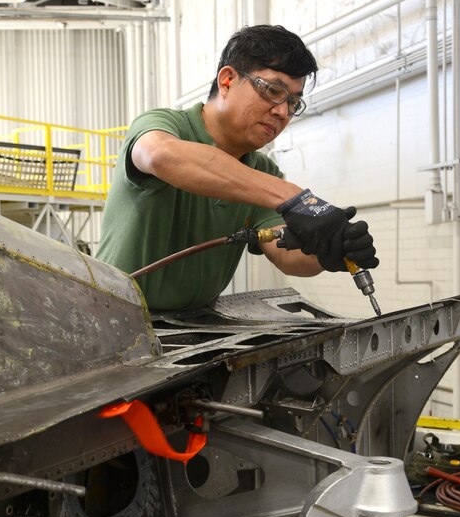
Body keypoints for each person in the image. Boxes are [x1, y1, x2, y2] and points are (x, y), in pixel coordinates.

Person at [95, 25, 378, 312]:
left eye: (293, 102)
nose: (282, 111)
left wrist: (329, 251)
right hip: (112, 316)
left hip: (193, 326)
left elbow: (286, 255)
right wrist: (296, 198)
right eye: (273, 90)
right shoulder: (165, 126)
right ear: (227, 81)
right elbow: (160, 156)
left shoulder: (262, 173)